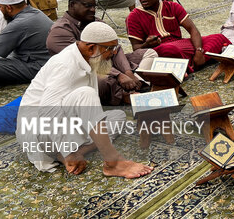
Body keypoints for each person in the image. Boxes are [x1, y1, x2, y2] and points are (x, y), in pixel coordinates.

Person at [17, 21, 154, 178]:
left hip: (64, 125)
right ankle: (112, 162)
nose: (113, 54)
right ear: (91, 48)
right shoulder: (65, 65)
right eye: (110, 49)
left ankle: (77, 153)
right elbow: (47, 111)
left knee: (118, 117)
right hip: (40, 132)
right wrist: (67, 149)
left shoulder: (87, 58)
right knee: (86, 94)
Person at [46, 0, 157, 105]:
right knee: (101, 81)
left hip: (112, 63)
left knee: (149, 53)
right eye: (87, 6)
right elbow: (84, 60)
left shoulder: (96, 22)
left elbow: (115, 48)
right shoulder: (60, 31)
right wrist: (118, 75)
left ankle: (135, 83)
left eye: (94, 6)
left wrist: (127, 72)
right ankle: (125, 94)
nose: (93, 10)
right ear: (72, 5)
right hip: (86, 72)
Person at [127, 0, 229, 71]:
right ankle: (196, 61)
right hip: (158, 49)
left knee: (218, 38)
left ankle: (191, 61)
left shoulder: (172, 6)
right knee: (169, 50)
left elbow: (193, 29)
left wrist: (198, 50)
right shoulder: (133, 16)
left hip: (180, 44)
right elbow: (136, 48)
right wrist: (147, 45)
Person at [0, 0, 53, 88]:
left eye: (1, 7)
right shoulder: (35, 12)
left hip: (37, 67)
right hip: (42, 61)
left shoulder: (20, 23)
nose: (0, 10)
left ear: (9, 8)